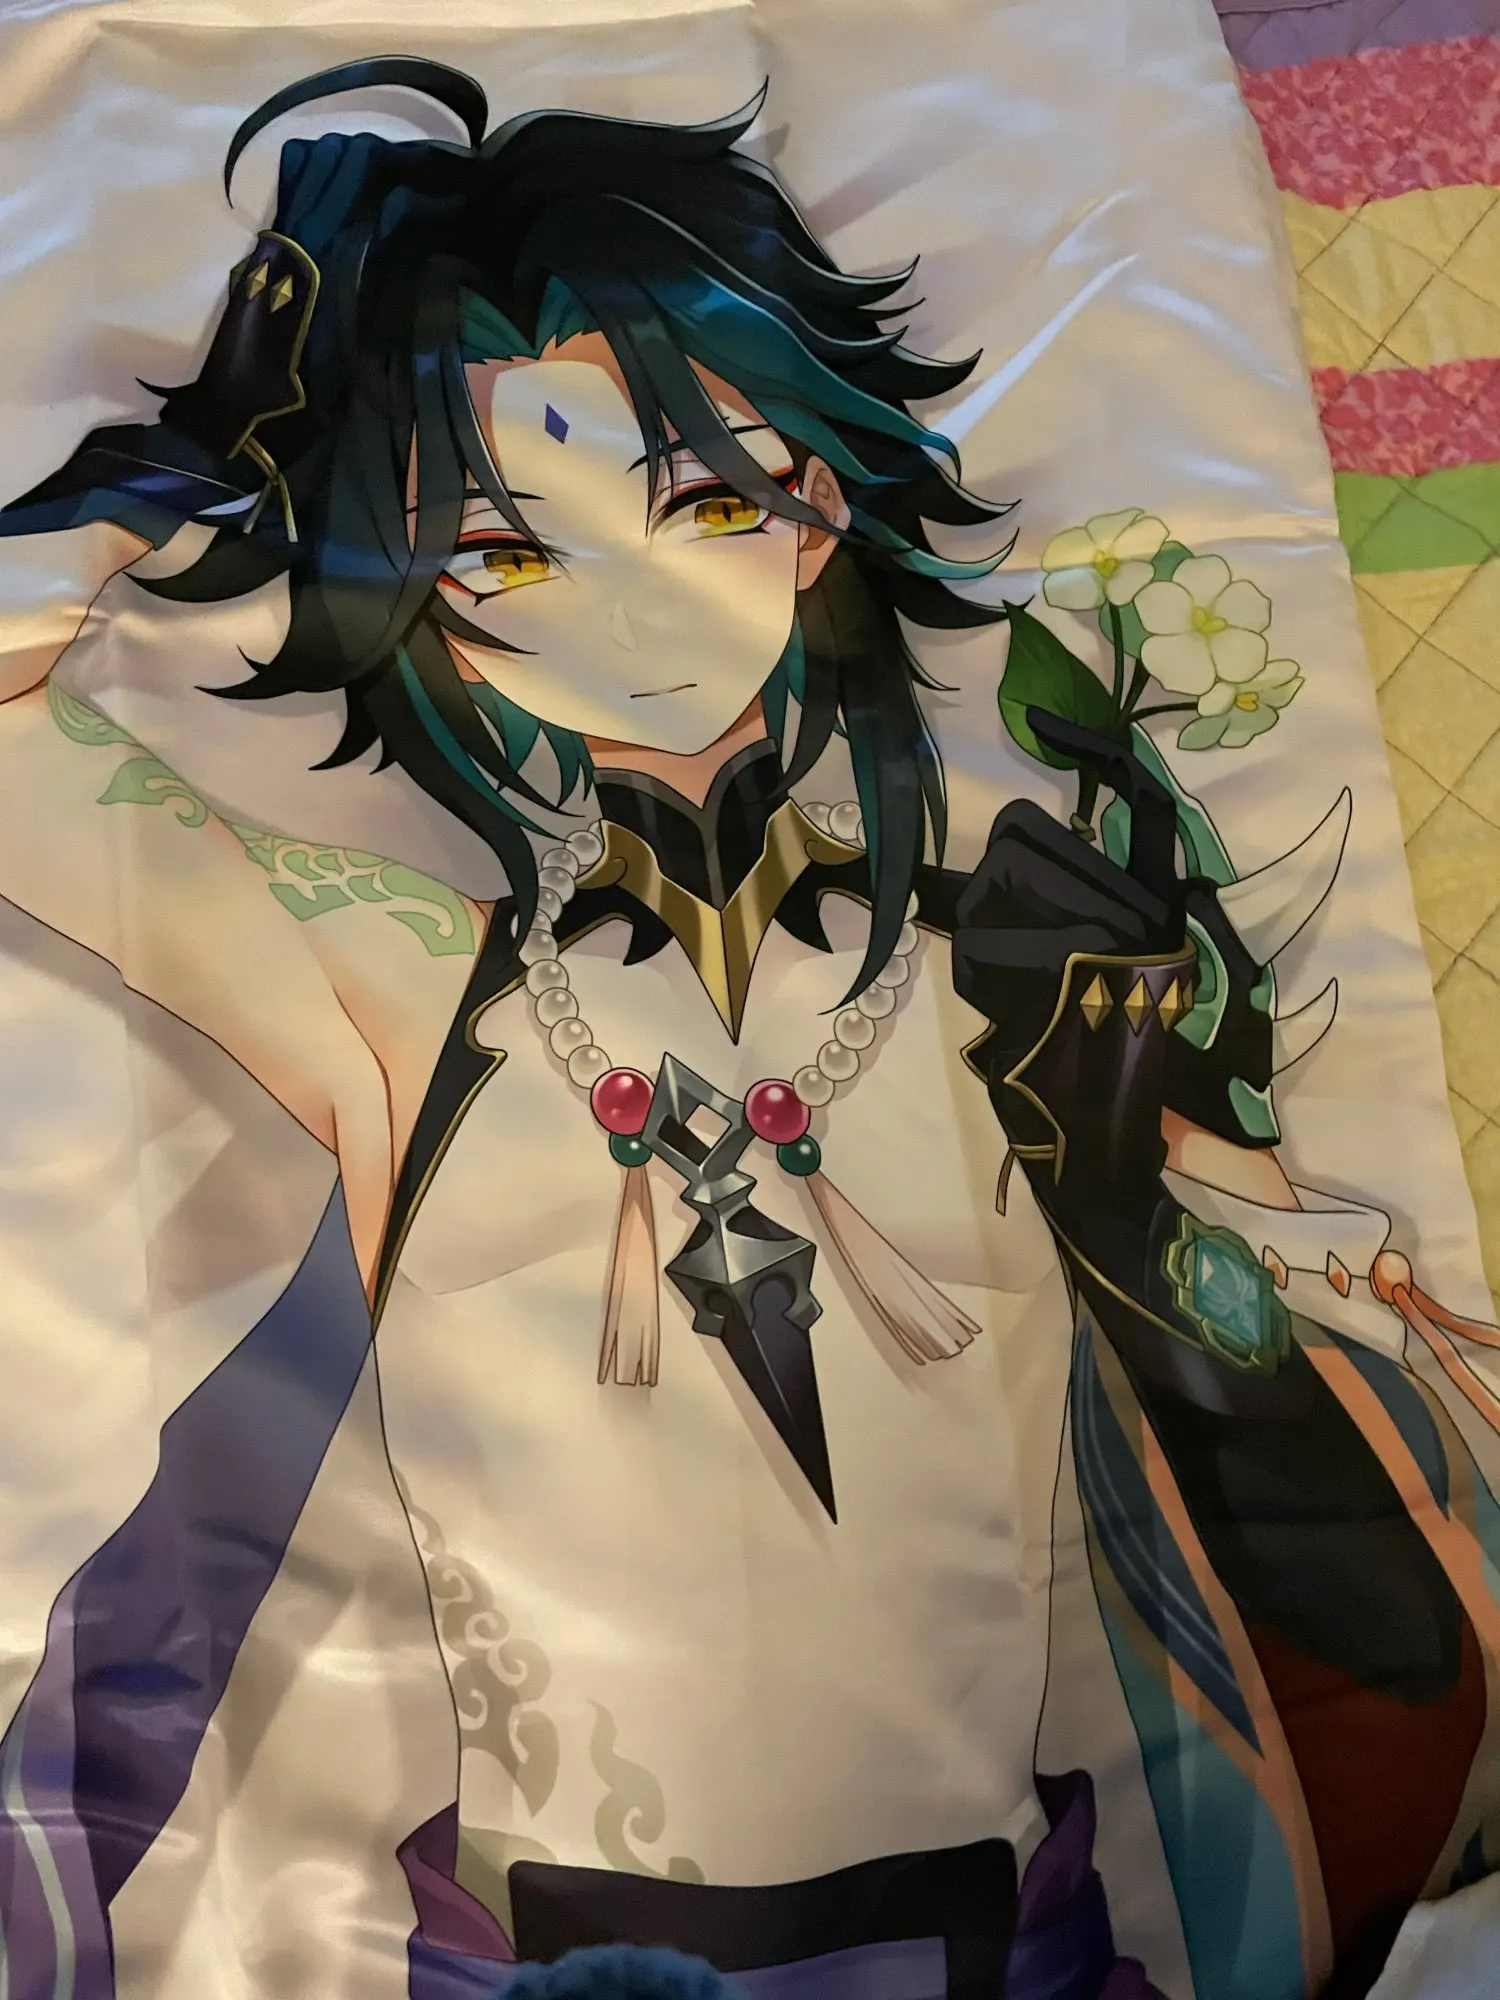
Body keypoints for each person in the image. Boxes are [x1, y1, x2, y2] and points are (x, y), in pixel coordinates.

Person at [0, 53, 1498, 2000]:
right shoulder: (403, 978)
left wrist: (1176, 1219)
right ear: (417, 597)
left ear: (813, 513)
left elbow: (1326, 1454)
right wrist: (203, 462)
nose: (636, 611)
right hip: (546, 1950)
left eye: (703, 499)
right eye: (507, 549)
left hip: (1018, 1940)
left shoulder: (1012, 938)